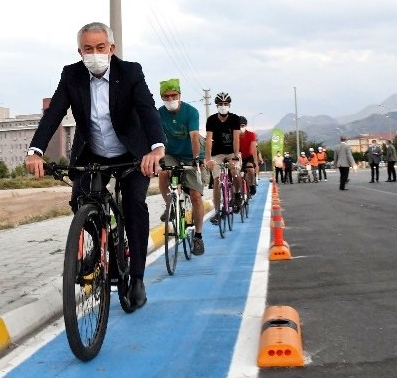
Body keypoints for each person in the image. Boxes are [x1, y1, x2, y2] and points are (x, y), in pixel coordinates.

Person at [25, 22, 164, 310]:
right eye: (88, 49)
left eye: (101, 48)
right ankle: (97, 237)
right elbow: (53, 115)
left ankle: (136, 275)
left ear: (111, 49)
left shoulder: (131, 73)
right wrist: (35, 151)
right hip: (94, 154)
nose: (95, 54)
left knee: (135, 205)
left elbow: (147, 110)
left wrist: (157, 149)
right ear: (80, 51)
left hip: (131, 154)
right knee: (80, 201)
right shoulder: (72, 75)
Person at [156, 78, 206, 255]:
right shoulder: (159, 113)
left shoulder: (191, 112)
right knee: (163, 174)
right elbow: (155, 135)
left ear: (180, 95)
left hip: (191, 155)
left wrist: (195, 161)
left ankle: (198, 237)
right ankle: (170, 205)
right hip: (172, 154)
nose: (170, 99)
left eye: (173, 95)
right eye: (166, 96)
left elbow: (194, 137)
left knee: (195, 195)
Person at [204, 92, 241, 225]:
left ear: (229, 105)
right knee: (216, 181)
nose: (223, 106)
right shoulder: (211, 120)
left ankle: (237, 194)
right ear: (217, 106)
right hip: (217, 154)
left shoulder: (235, 119)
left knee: (234, 171)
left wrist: (236, 156)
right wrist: (208, 159)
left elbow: (236, 138)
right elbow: (208, 140)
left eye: (225, 104)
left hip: (232, 152)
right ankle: (217, 212)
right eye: (220, 104)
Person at [237, 116, 258, 195]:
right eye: (239, 126)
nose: (240, 128)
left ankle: (252, 185)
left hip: (248, 156)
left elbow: (253, 149)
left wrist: (255, 162)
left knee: (250, 170)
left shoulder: (251, 134)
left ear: (245, 126)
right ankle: (236, 193)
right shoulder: (234, 135)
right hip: (237, 157)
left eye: (242, 126)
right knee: (236, 174)